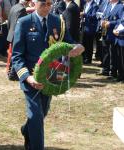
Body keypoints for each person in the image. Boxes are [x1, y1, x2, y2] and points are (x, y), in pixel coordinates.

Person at [12, 0, 84, 149]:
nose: (47, 7)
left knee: (42, 112)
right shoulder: (24, 22)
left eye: (50, 4)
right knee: (36, 115)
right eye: (43, 3)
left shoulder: (58, 21)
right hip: (30, 78)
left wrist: (77, 47)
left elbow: (68, 42)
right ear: (34, 3)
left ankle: (27, 130)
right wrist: (28, 77)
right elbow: (17, 56)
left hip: (50, 77)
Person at [7, 0, 30, 80]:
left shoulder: (14, 7)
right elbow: (21, 25)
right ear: (26, 2)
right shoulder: (22, 9)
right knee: (17, 54)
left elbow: (9, 22)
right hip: (17, 35)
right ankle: (13, 74)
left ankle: (10, 72)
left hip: (11, 33)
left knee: (14, 53)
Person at [113, 12, 124, 82]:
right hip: (119, 39)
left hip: (122, 38)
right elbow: (119, 21)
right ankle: (120, 75)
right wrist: (115, 29)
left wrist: (120, 32)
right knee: (119, 59)